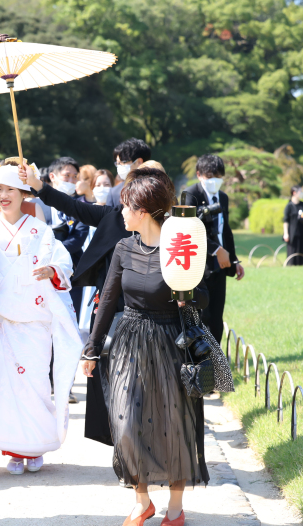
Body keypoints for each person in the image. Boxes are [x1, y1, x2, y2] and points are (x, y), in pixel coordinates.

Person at [81, 168, 210, 526]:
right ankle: (142, 501)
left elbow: (203, 296)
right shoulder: (123, 248)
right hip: (130, 341)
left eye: (125, 206)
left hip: (171, 342)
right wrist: (91, 349)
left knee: (174, 424)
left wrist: (187, 295)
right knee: (127, 422)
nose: (120, 212)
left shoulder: (180, 246)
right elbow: (107, 301)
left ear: (142, 211)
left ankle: (174, 507)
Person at [19, 161, 131, 478]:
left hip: (152, 319)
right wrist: (39, 186)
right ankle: (124, 450)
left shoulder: (169, 229)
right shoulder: (112, 218)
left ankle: (141, 454)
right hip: (112, 313)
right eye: (128, 188)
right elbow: (71, 206)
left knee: (141, 391)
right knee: (113, 388)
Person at [0, 164, 83, 475]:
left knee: (34, 385)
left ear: (23, 193)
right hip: (3, 320)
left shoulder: (39, 230)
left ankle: (35, 446)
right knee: (3, 388)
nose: (4, 196)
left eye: (10, 189)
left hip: (34, 321)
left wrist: (52, 271)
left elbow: (63, 262)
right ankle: (14, 450)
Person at [182, 154, 245, 345]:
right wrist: (216, 249)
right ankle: (199, 363)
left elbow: (225, 230)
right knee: (201, 316)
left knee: (217, 317)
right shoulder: (190, 195)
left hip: (220, 265)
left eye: (218, 176)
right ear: (199, 174)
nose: (214, 180)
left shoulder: (223, 198)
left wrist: (234, 261)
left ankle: (216, 364)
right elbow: (188, 229)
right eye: (210, 176)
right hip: (198, 266)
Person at [47, 157, 89, 316]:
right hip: (40, 273)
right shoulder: (37, 205)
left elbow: (78, 238)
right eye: (67, 176)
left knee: (70, 321)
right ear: (53, 177)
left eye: (75, 177)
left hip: (71, 273)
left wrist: (52, 250)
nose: (71, 180)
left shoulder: (80, 207)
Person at [106, 139, 152, 207]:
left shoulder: (154, 189)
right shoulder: (114, 193)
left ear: (139, 162)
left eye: (123, 162)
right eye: (118, 163)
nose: (119, 166)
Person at [283, 186, 303, 265]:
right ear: (294, 193)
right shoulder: (289, 206)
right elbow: (285, 221)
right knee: (292, 251)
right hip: (293, 233)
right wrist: (286, 233)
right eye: (300, 192)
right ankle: (292, 264)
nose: (301, 193)